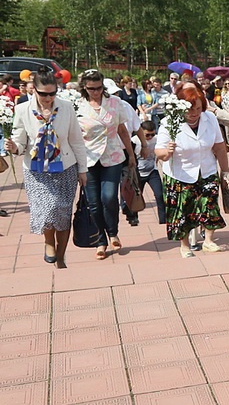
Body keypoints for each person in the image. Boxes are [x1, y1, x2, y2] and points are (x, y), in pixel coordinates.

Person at [7, 71, 88, 268]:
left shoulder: (66, 107)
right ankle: (49, 242)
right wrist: (14, 147)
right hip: (36, 169)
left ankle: (61, 255)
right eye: (44, 94)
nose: (49, 98)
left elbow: (76, 140)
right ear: (34, 90)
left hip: (65, 167)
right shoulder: (23, 109)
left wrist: (83, 169)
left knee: (63, 212)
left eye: (52, 94)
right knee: (46, 210)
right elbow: (19, 138)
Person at [154, 85, 229, 258]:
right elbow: (159, 151)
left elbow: (219, 147)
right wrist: (167, 152)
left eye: (198, 108)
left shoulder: (209, 119)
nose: (194, 113)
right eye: (190, 109)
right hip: (180, 173)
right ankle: (185, 244)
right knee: (184, 209)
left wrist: (225, 172)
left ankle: (209, 241)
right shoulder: (170, 122)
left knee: (209, 203)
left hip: (206, 169)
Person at [76, 69, 136, 260]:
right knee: (93, 203)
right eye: (91, 88)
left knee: (109, 198)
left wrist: (131, 154)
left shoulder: (115, 103)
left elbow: (122, 130)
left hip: (113, 156)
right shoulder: (77, 105)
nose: (96, 92)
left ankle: (113, 232)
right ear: (85, 87)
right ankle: (100, 240)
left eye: (99, 88)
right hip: (88, 159)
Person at [126, 120, 165, 227]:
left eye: (152, 134)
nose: (150, 137)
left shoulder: (156, 140)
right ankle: (133, 217)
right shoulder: (134, 141)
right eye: (147, 135)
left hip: (152, 171)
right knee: (136, 197)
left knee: (159, 194)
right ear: (141, 132)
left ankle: (163, 219)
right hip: (138, 172)